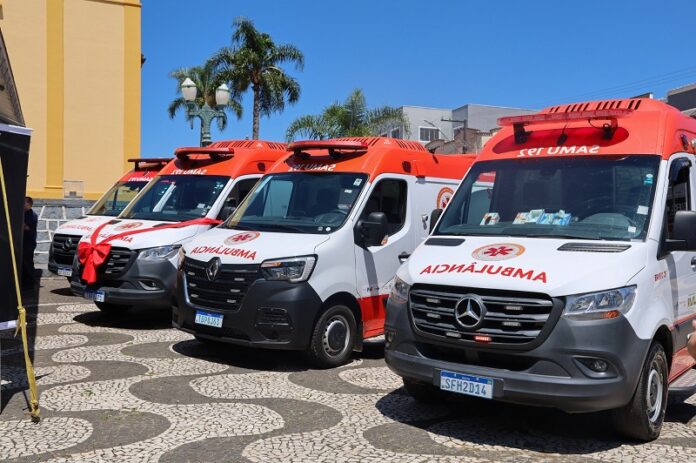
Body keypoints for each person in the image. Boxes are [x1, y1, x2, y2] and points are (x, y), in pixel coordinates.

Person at [22, 196, 38, 288]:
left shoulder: (32, 215)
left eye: (24, 202)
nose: (22, 204)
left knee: (28, 263)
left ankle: (31, 283)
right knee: (23, 263)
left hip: (29, 243)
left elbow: (27, 227)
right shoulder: (24, 213)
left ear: (29, 204)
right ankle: (24, 282)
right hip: (24, 242)